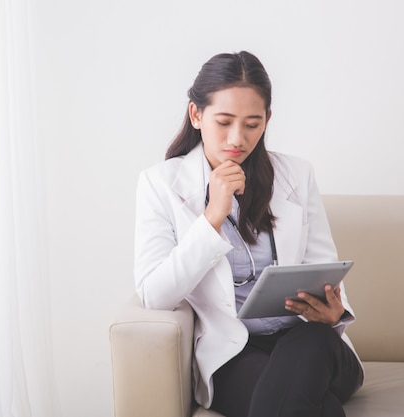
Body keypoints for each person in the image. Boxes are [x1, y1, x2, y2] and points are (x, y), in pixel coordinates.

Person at [133, 51, 363, 417]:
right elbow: (155, 295)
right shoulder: (160, 185)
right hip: (235, 352)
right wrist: (211, 218)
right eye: (223, 122)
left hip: (313, 341)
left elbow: (323, 268)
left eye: (253, 124)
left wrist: (333, 313)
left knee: (306, 349)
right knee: (302, 401)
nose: (237, 139)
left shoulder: (297, 175)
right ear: (197, 114)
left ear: (267, 120)